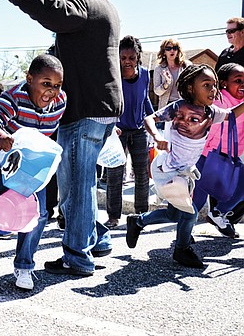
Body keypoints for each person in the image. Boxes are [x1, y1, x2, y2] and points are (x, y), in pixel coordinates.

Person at [0, 0, 122, 276]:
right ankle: (96, 240)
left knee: (76, 186)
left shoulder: (85, 3)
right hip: (101, 108)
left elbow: (51, 12)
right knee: (83, 181)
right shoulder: (105, 6)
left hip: (86, 110)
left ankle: (77, 257)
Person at [127, 64, 244, 268]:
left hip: (186, 172)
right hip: (170, 170)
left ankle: (138, 222)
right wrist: (157, 137)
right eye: (206, 85)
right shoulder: (179, 108)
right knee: (189, 211)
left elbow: (232, 115)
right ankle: (182, 250)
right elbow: (150, 118)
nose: (213, 90)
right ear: (191, 88)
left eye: (214, 85)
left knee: (174, 213)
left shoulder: (211, 112)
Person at [0, 54, 66, 289]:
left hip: (32, 166)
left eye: (57, 85)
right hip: (1, 163)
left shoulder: (61, 101)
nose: (52, 91)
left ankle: (24, 266)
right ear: (30, 79)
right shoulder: (14, 98)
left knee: (38, 214)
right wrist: (1, 137)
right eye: (46, 83)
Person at [104, 36, 154, 228]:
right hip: (118, 132)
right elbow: (108, 102)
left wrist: (154, 117)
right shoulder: (113, 75)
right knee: (115, 175)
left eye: (131, 57)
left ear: (138, 57)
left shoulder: (144, 75)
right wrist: (111, 124)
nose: (127, 61)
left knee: (142, 174)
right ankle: (113, 216)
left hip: (139, 130)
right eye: (123, 57)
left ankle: (142, 214)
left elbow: (145, 100)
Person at [193, 63, 244, 238]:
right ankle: (181, 233)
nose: (243, 84)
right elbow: (227, 115)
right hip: (208, 157)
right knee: (196, 201)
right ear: (223, 84)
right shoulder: (218, 99)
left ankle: (218, 213)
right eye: (238, 80)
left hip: (229, 158)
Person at [153, 38, 191, 110]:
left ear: (178, 51)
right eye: (168, 48)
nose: (172, 50)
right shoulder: (159, 69)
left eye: (175, 48)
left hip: (184, 105)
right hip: (166, 107)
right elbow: (157, 91)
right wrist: (166, 84)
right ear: (164, 52)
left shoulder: (186, 66)